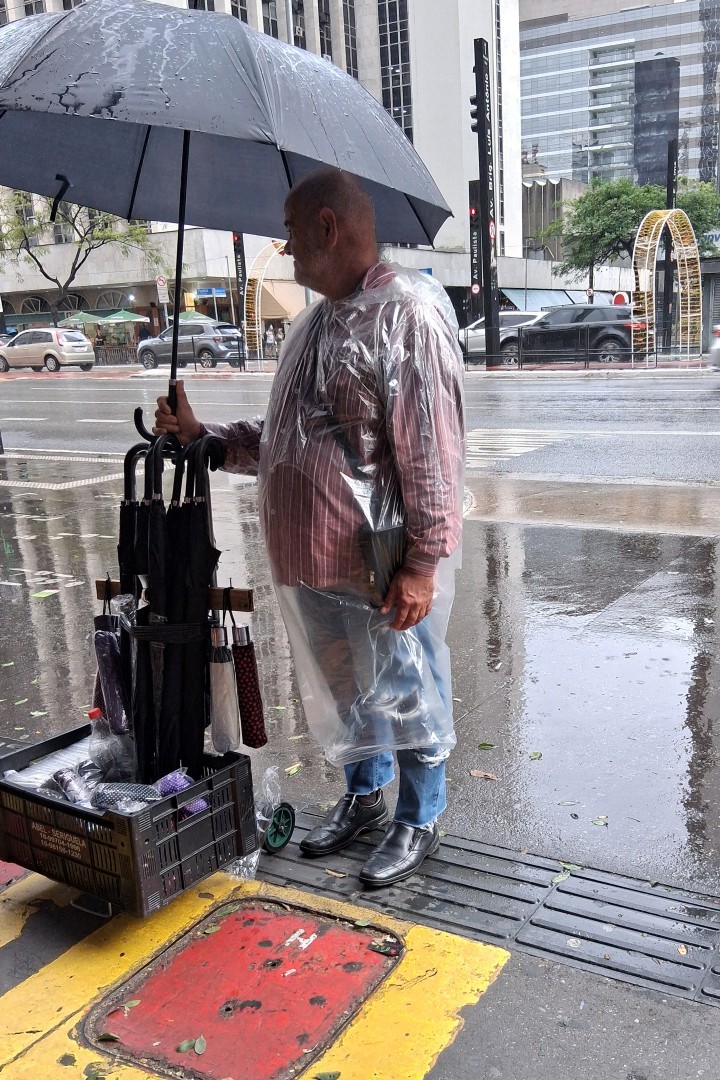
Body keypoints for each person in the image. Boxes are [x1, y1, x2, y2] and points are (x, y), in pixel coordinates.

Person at [154, 167, 464, 887]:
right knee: (348, 695)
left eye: (291, 232)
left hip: (378, 557)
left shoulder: (405, 318)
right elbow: (283, 439)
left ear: (328, 225)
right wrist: (204, 437)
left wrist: (422, 564)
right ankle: (363, 798)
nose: (286, 249)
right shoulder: (316, 326)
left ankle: (418, 819)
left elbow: (432, 455)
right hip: (311, 565)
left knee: (406, 690)